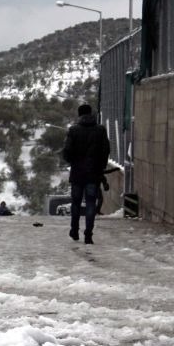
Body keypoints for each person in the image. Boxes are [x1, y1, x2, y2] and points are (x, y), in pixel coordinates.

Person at [61, 104, 111, 244]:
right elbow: (106, 150)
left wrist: (73, 162)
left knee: (76, 203)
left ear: (79, 115)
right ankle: (88, 234)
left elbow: (66, 151)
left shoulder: (74, 130)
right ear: (91, 114)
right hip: (93, 174)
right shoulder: (100, 130)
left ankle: (74, 231)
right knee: (90, 204)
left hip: (77, 174)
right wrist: (100, 167)